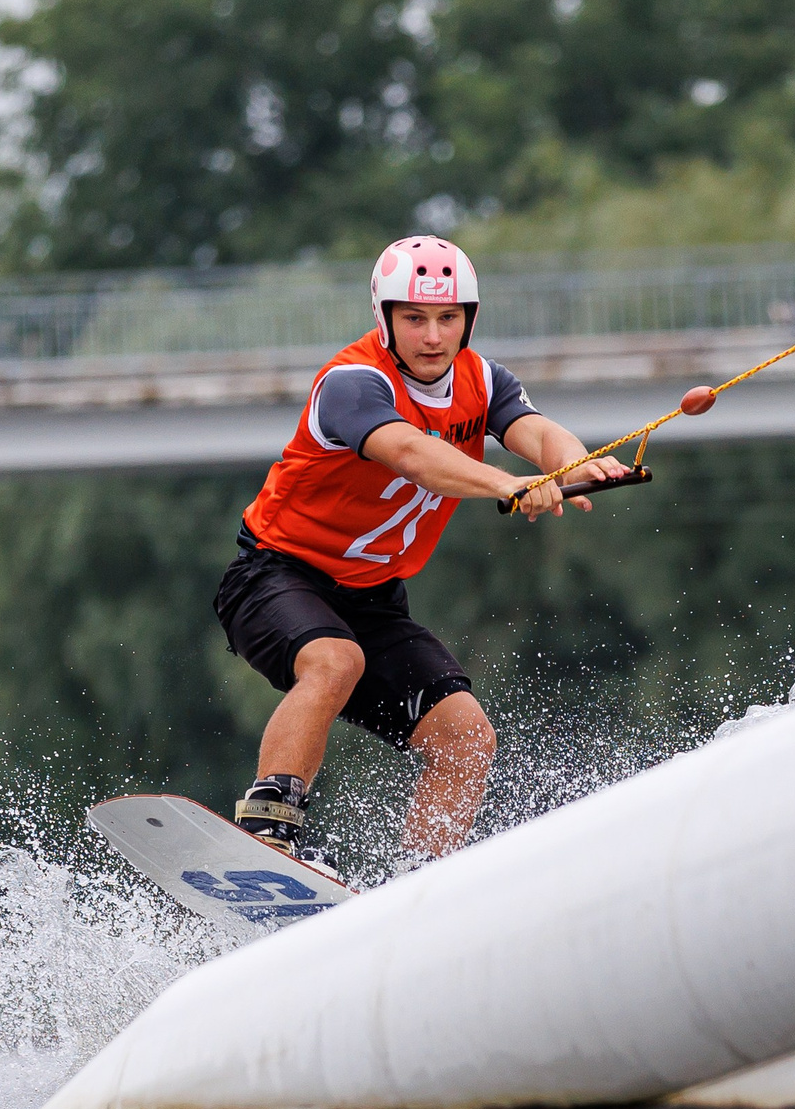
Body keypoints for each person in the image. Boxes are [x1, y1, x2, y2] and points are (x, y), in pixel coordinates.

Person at [213, 235, 627, 860]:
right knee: (335, 662)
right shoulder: (350, 384)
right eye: (414, 319)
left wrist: (575, 464)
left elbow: (535, 430)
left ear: (468, 320)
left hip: (374, 601)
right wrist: (509, 484)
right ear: (383, 319)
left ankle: (424, 882)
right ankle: (267, 830)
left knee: (466, 736)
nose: (432, 336)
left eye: (447, 319)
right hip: (275, 579)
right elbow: (412, 455)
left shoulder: (483, 380)